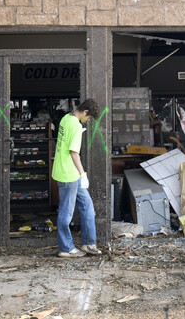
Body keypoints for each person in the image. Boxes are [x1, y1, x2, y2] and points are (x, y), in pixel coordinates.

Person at [52, 98, 103, 258]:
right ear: (85, 112)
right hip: (69, 174)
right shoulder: (75, 125)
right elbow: (74, 153)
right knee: (66, 213)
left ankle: (89, 243)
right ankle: (66, 248)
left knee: (87, 206)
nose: (88, 121)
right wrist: (83, 174)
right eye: (89, 118)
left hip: (66, 171)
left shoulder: (66, 118)